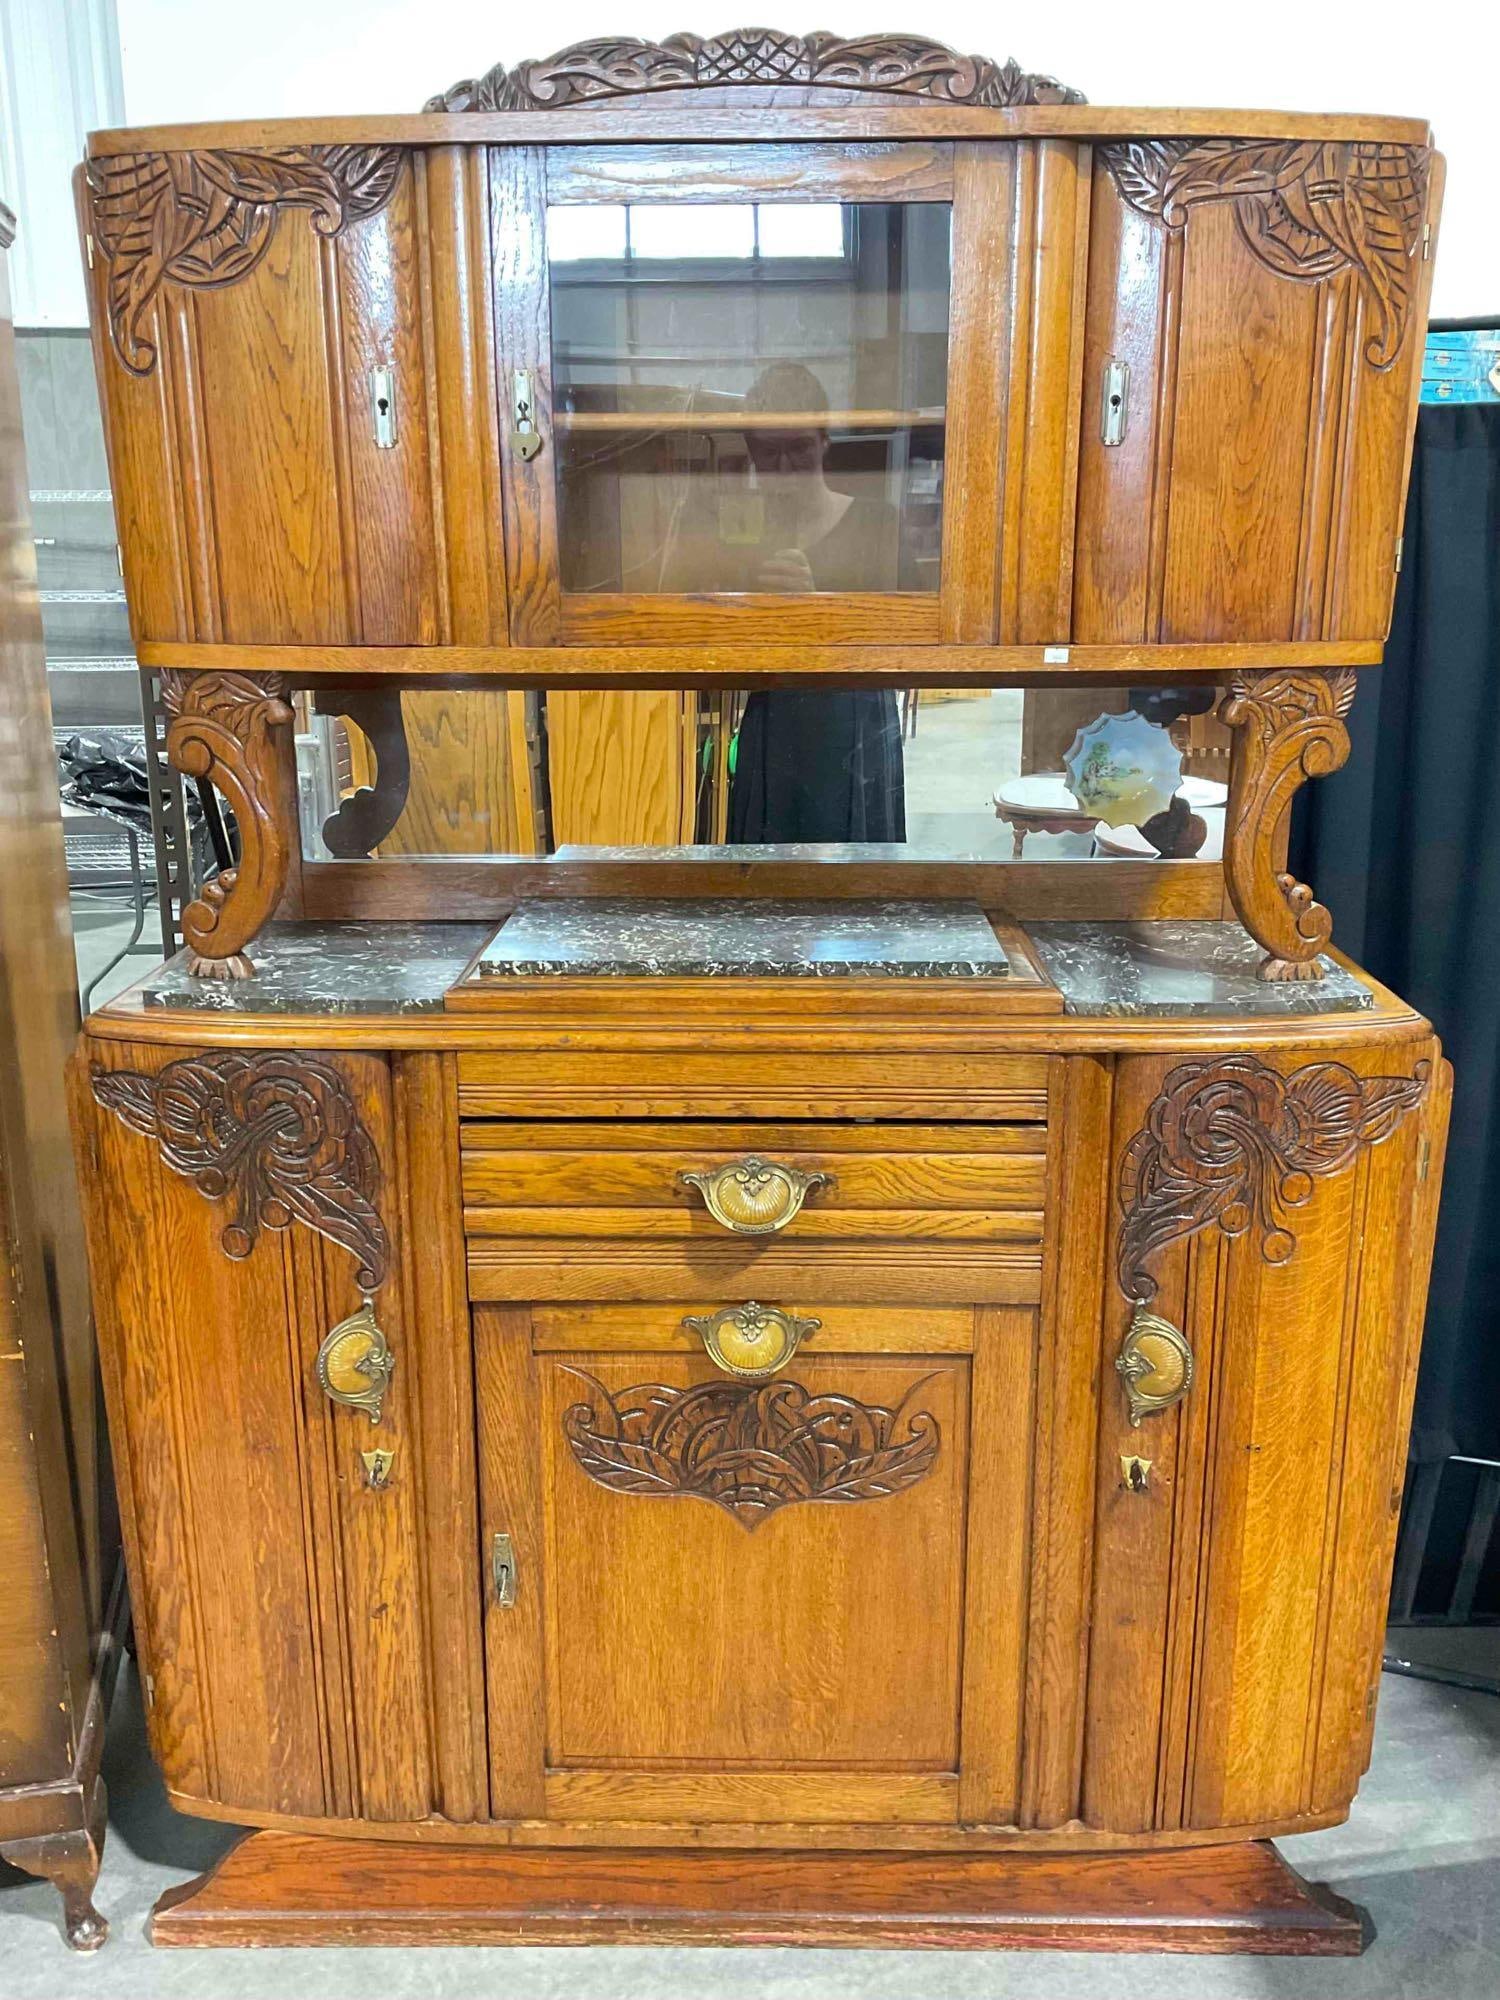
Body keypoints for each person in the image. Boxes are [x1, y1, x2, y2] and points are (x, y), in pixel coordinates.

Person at [719, 364, 906, 843]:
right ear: (753, 455)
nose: (785, 468)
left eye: (799, 447)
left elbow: (904, 638)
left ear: (824, 440)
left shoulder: (877, 525)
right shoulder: (741, 535)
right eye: (769, 453)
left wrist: (818, 606)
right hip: (772, 713)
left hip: (855, 718)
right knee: (767, 879)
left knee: (856, 882)